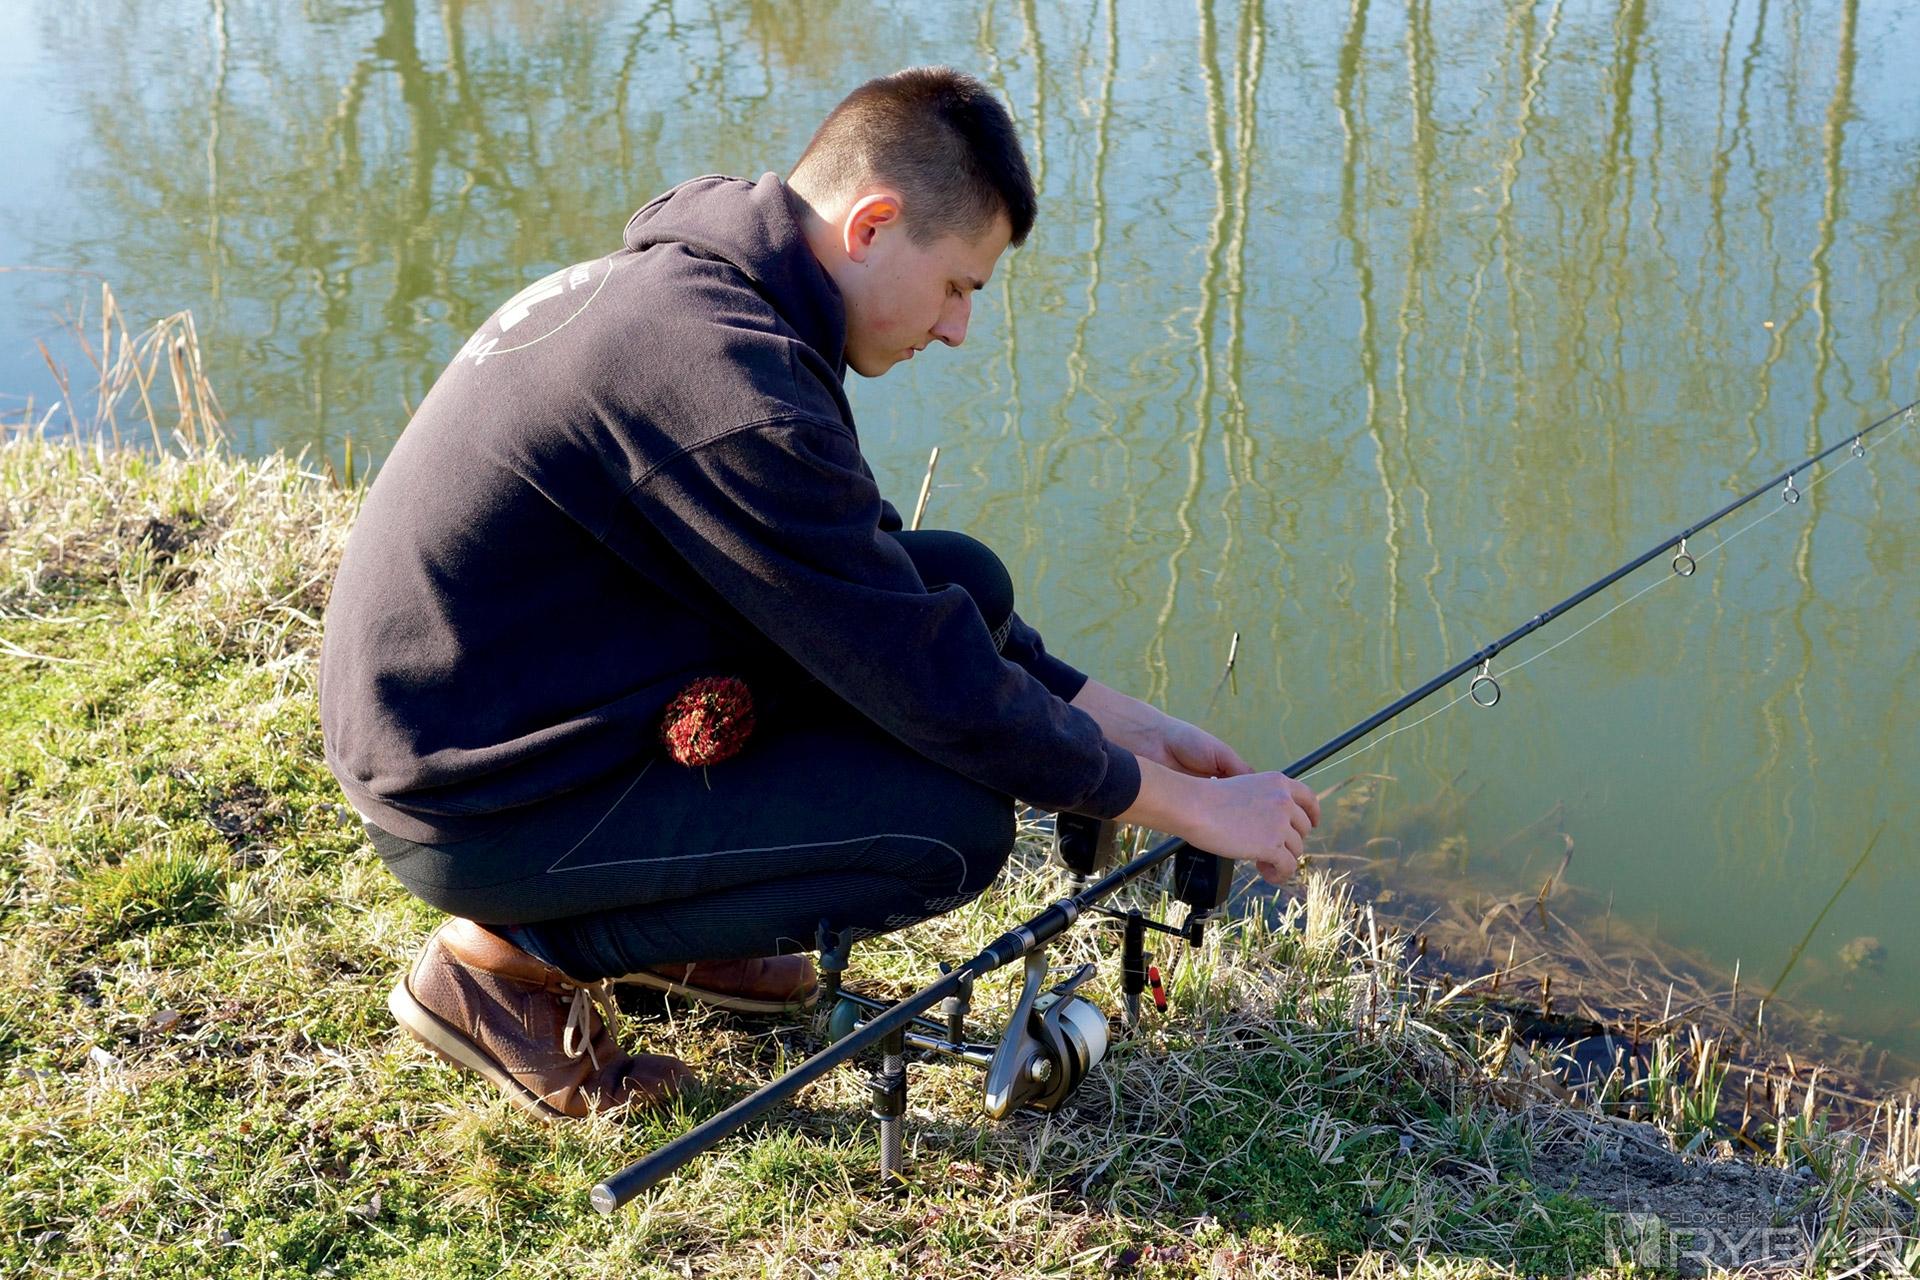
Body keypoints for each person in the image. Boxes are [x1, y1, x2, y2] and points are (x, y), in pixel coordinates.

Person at [318, 66, 1319, 1122]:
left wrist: (1135, 726)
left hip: (519, 701)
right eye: (959, 287)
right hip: (469, 797)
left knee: (960, 580)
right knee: (944, 833)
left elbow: (886, 589)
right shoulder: (730, 388)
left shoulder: (717, 295)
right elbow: (932, 690)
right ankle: (500, 963)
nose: (958, 329)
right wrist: (1185, 805)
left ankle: (680, 935)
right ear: (873, 224)